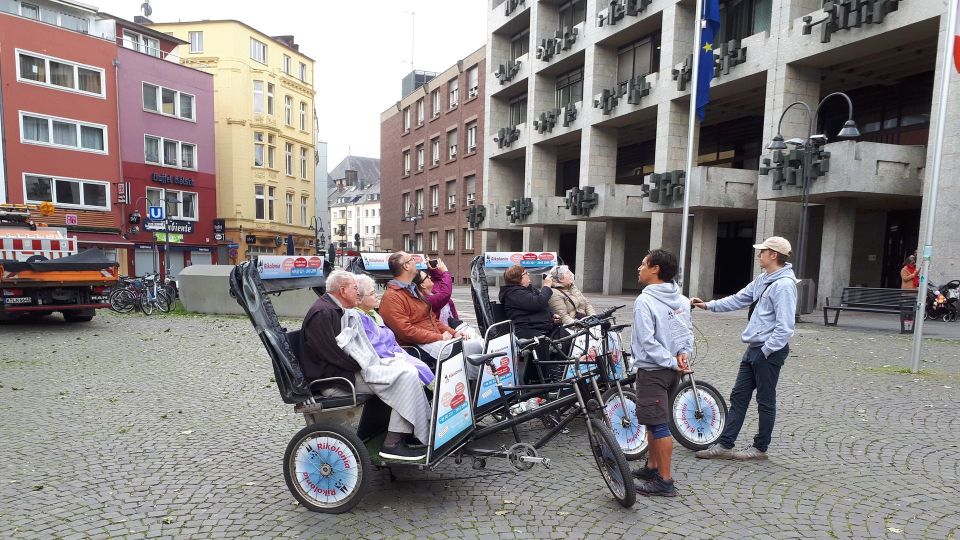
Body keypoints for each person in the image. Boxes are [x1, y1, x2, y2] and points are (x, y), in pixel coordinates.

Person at [300, 270, 430, 461]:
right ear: (343, 290)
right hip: (335, 380)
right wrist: (366, 364)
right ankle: (392, 443)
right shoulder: (323, 313)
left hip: (347, 372)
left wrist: (369, 362)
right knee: (404, 376)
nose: (358, 294)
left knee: (408, 372)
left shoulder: (335, 309)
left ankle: (408, 430)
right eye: (355, 289)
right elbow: (334, 355)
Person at [691, 236, 798, 461]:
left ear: (773, 255)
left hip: (767, 351)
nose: (758, 254)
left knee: (765, 400)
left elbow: (786, 327)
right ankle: (725, 445)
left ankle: (760, 448)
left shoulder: (784, 285)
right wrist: (708, 305)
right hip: (754, 347)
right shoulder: (763, 279)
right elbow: (739, 299)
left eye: (762, 251)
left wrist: (766, 351)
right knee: (738, 396)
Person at [630, 249, 693, 497]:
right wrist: (682, 355)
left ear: (655, 269)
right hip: (670, 370)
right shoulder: (681, 298)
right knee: (653, 418)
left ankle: (665, 481)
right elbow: (685, 333)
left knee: (658, 423)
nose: (639, 267)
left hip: (654, 369)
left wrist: (671, 360)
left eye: (644, 263)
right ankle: (652, 466)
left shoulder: (645, 300)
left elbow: (647, 341)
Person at [379, 252, 483, 375]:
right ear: (406, 266)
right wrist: (440, 337)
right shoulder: (392, 297)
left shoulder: (412, 289)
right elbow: (406, 331)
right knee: (471, 348)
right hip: (415, 347)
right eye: (412, 259)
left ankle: (472, 385)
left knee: (475, 344)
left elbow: (433, 319)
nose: (416, 262)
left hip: (431, 340)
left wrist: (454, 333)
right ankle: (471, 386)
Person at [354, 274, 435, 388]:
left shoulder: (373, 314)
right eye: (372, 293)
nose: (376, 296)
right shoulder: (360, 317)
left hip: (399, 354)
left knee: (423, 367)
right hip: (389, 360)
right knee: (417, 371)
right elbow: (377, 346)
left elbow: (433, 319)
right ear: (358, 298)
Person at [416, 259, 481, 340]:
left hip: (452, 326)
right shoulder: (426, 300)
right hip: (444, 333)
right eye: (427, 276)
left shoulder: (433, 292)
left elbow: (439, 281)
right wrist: (445, 272)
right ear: (423, 285)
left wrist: (434, 270)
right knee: (473, 339)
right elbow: (445, 294)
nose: (429, 276)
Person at [498, 264, 555, 339]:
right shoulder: (513, 293)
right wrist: (547, 285)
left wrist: (552, 315)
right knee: (544, 342)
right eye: (525, 273)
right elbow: (538, 303)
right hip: (527, 329)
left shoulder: (530, 289)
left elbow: (545, 304)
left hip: (543, 326)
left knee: (568, 338)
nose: (528, 274)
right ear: (518, 278)